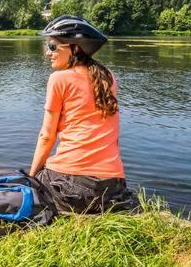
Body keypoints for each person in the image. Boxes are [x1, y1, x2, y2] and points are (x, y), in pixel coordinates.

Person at [28, 15, 137, 213]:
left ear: (75, 48)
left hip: (71, 187)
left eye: (53, 46)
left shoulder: (59, 79)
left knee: (27, 186)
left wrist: (32, 177)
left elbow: (46, 136)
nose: (47, 53)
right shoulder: (108, 76)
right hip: (112, 189)